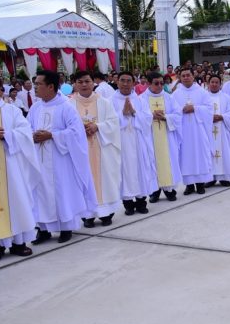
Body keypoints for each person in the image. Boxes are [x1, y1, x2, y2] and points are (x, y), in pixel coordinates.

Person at [28, 70, 97, 244]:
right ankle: (43, 229)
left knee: (62, 191)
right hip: (39, 159)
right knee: (40, 192)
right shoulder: (35, 107)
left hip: (60, 159)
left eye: (38, 84)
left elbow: (76, 132)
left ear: (51, 86)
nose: (35, 87)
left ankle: (66, 227)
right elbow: (25, 128)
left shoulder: (66, 106)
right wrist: (31, 135)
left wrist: (52, 136)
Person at [0, 72, 39, 262]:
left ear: (0, 90)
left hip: (11, 168)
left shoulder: (11, 111)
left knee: (16, 202)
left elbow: (25, 133)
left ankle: (19, 242)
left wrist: (6, 135)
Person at [69, 71, 122, 228]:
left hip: (102, 148)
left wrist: (97, 126)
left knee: (105, 179)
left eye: (87, 81)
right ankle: (88, 215)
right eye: (80, 82)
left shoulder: (104, 102)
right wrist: (79, 129)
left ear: (93, 83)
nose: (84, 85)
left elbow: (114, 123)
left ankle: (107, 214)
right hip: (81, 150)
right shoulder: (68, 105)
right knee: (83, 179)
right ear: (75, 84)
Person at [111, 71, 158, 215]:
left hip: (138, 142)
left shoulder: (139, 100)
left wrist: (134, 112)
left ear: (133, 83)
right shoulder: (109, 100)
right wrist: (123, 114)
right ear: (117, 81)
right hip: (121, 142)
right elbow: (109, 122)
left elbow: (148, 118)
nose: (125, 84)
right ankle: (128, 205)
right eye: (122, 80)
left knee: (140, 170)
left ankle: (141, 202)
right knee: (124, 172)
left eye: (128, 81)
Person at [139, 72, 182, 203]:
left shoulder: (169, 98)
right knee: (152, 162)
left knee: (168, 162)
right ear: (148, 83)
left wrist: (165, 117)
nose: (159, 86)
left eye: (162, 83)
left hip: (167, 137)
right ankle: (155, 191)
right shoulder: (141, 99)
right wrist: (151, 115)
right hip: (150, 138)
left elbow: (178, 115)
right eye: (156, 83)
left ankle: (170, 191)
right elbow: (138, 117)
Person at [172, 68, 213, 195]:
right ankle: (189, 185)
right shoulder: (175, 94)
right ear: (180, 77)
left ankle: (200, 184)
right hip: (183, 131)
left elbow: (209, 109)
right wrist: (182, 110)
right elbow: (172, 111)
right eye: (183, 76)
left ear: (193, 76)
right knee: (185, 157)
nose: (185, 78)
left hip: (198, 131)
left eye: (188, 75)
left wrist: (195, 108)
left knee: (200, 155)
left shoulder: (202, 92)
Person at [206, 74, 230, 187]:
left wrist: (222, 116)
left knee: (224, 152)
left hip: (222, 130)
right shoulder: (204, 97)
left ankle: (224, 177)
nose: (214, 84)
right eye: (212, 82)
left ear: (220, 84)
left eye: (216, 82)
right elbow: (199, 112)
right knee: (209, 153)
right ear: (208, 83)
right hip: (208, 131)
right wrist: (209, 117)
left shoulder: (225, 97)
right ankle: (210, 178)